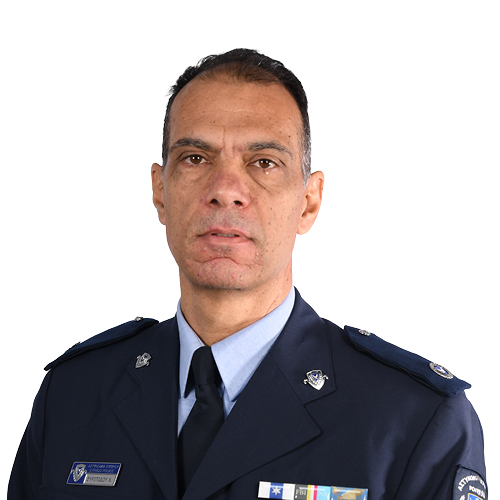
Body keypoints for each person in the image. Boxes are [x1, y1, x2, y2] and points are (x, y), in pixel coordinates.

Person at [8, 49, 487, 500]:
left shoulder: (415, 418)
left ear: (309, 201)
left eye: (264, 163)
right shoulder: (72, 397)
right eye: (195, 158)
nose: (226, 189)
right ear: (160, 192)